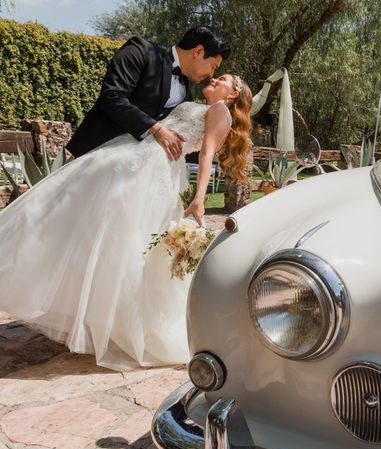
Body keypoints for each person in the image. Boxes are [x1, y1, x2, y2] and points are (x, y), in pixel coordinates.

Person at [0, 74, 253, 370]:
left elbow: (207, 153)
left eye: (222, 79)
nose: (214, 78)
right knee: (108, 234)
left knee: (129, 241)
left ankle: (127, 326)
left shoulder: (220, 111)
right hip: (139, 157)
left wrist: (199, 198)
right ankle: (100, 317)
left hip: (155, 171)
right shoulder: (198, 104)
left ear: (233, 94)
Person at [66, 25, 230, 161]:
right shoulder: (140, 51)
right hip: (92, 155)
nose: (211, 75)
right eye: (213, 66)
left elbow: (178, 143)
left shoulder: (187, 95)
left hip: (130, 169)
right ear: (198, 51)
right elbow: (112, 97)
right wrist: (156, 129)